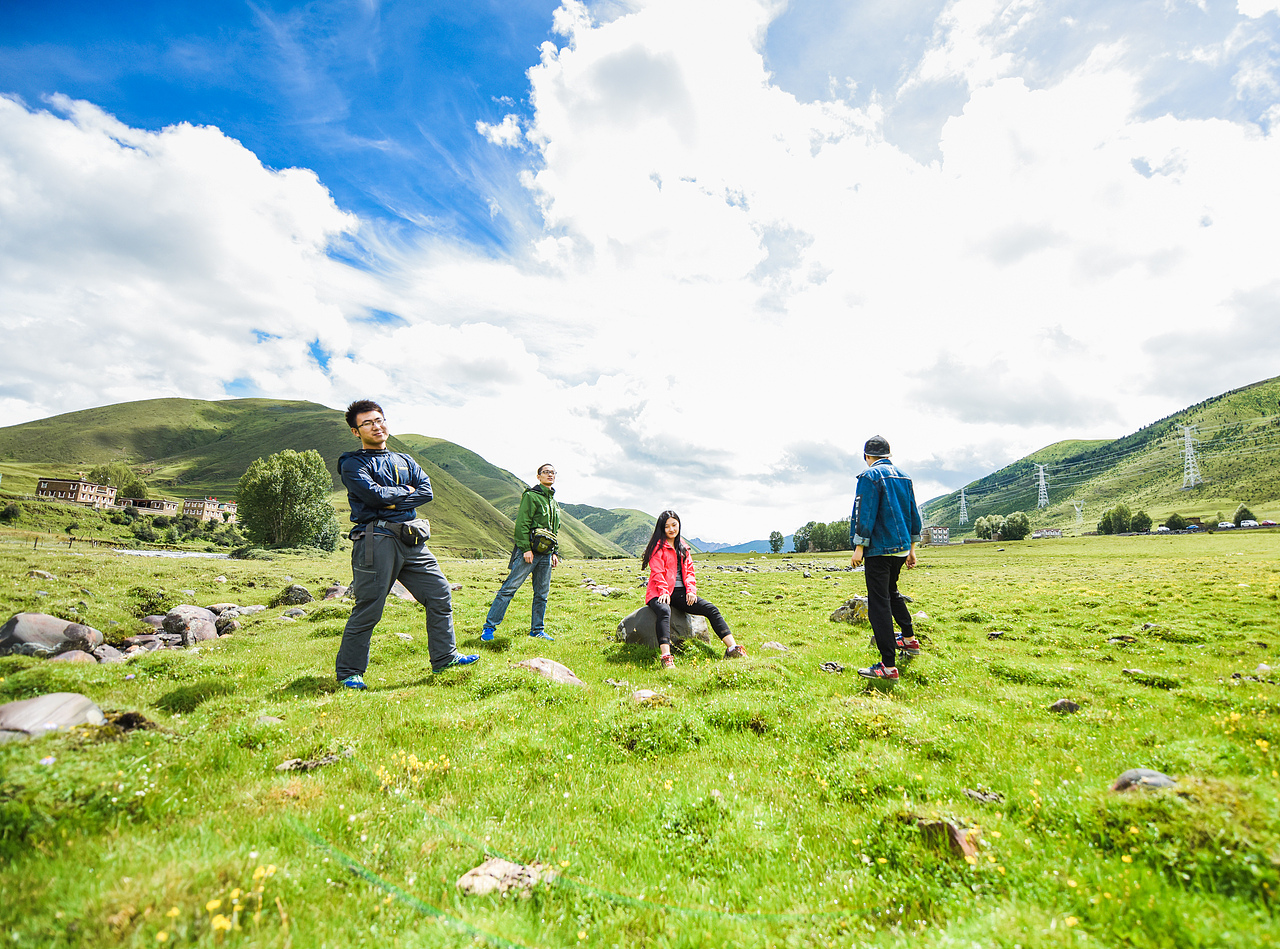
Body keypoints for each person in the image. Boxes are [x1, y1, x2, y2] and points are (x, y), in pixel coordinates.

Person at [334, 399, 477, 689]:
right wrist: (401, 493)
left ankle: (445, 658)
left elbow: (426, 492)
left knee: (439, 594)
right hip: (376, 539)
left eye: (379, 420)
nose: (376, 426)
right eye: (368, 423)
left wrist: (391, 498)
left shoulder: (406, 460)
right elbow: (372, 496)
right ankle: (350, 672)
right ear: (355, 431)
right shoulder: (352, 463)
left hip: (412, 539)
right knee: (370, 606)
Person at [849, 436, 922, 681]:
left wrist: (859, 546)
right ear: (888, 455)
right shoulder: (904, 477)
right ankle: (909, 639)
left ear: (866, 456)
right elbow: (913, 513)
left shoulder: (869, 477)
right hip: (901, 549)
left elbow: (864, 513)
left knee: (878, 603)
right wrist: (912, 548)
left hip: (879, 549)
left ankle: (888, 666)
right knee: (891, 592)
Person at [641, 510, 747, 668]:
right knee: (664, 611)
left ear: (679, 525)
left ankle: (732, 648)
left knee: (711, 609)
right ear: (661, 529)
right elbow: (657, 572)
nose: (671, 529)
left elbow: (689, 572)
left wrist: (691, 590)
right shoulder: (657, 548)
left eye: (674, 525)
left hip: (680, 593)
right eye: (667, 526)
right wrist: (663, 591)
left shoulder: (683, 546)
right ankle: (666, 657)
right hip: (659, 592)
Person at [482, 464, 561, 642]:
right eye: (546, 472)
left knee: (542, 594)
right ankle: (488, 629)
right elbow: (522, 523)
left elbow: (555, 529)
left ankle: (537, 630)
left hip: (546, 555)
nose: (550, 475)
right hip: (529, 551)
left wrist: (555, 552)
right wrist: (525, 548)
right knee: (509, 589)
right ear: (538, 476)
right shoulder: (531, 496)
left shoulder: (554, 502)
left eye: (553, 472)